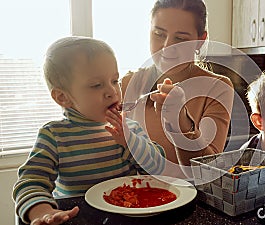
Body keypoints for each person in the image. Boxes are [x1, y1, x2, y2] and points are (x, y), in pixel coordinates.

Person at [13, 36, 165, 225]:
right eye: (96, 85)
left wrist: (129, 141)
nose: (112, 91)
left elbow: (158, 168)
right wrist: (43, 212)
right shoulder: (54, 136)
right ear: (62, 97)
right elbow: (31, 181)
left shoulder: (129, 129)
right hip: (77, 218)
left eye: (114, 80)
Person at [121, 0, 234, 176]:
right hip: (133, 195)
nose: (167, 47)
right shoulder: (129, 82)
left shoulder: (217, 87)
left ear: (200, 41)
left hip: (189, 198)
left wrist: (181, 123)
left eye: (180, 39)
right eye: (159, 34)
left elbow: (206, 171)